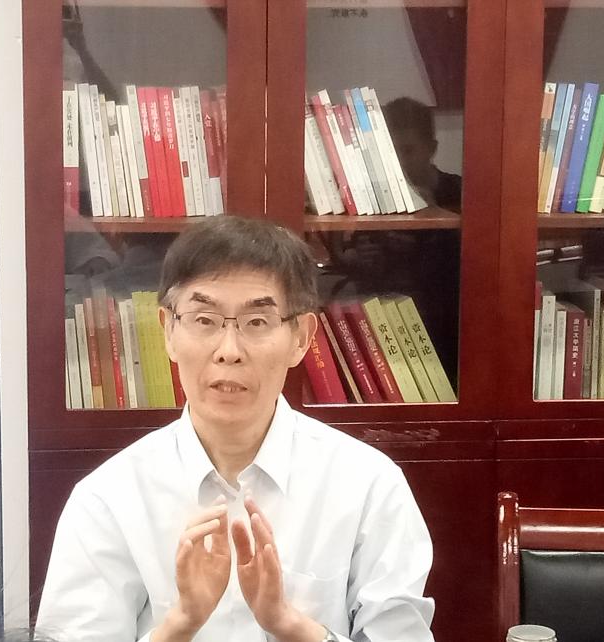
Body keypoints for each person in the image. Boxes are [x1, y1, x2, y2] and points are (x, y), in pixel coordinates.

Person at [35, 215, 435, 642]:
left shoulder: (369, 486)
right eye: (204, 320)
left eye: (257, 322)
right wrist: (179, 624)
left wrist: (289, 625)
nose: (229, 351)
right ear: (168, 331)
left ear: (301, 338)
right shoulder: (107, 498)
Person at [381, 97, 461, 213]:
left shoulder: (460, 190)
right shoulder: (378, 195)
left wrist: (433, 210)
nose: (399, 160)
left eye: (407, 150)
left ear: (431, 149)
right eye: (391, 152)